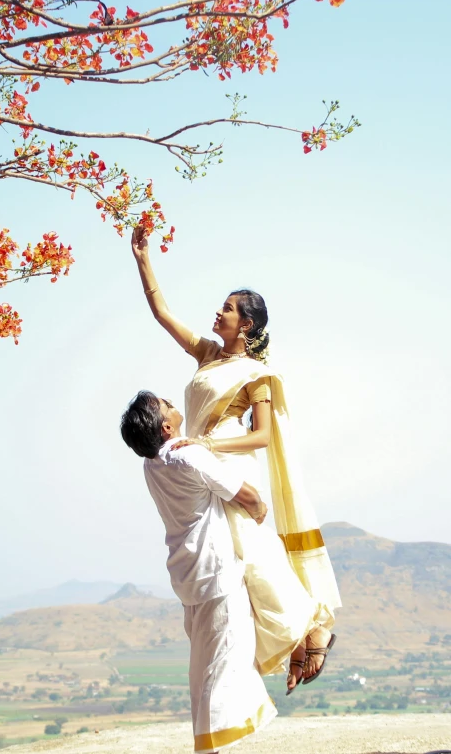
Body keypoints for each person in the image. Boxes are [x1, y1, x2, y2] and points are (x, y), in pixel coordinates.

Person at [130, 227, 341, 692]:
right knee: (241, 565)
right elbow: (162, 313)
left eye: (226, 308)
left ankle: (311, 630)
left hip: (224, 458)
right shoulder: (207, 355)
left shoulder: (258, 375)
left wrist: (207, 446)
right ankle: (303, 637)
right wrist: (142, 259)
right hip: (199, 460)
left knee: (253, 557)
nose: (217, 312)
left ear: (245, 323)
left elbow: (262, 436)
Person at [120, 390, 276, 753]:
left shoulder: (152, 465)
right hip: (215, 573)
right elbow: (244, 494)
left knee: (206, 669)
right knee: (221, 671)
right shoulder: (187, 456)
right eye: (168, 405)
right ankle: (209, 748)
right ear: (167, 427)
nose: (175, 403)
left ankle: (210, 744)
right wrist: (259, 510)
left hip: (188, 575)